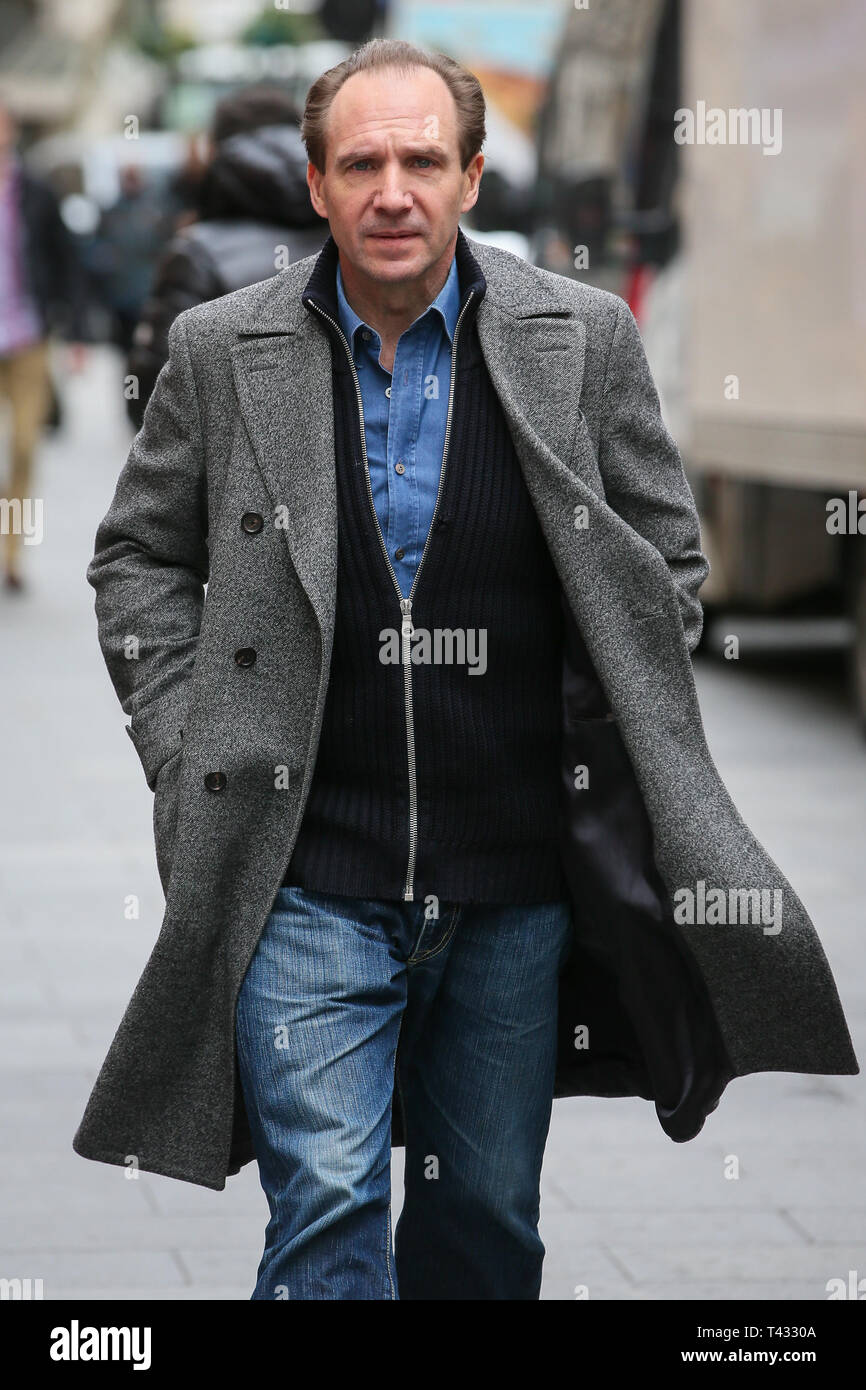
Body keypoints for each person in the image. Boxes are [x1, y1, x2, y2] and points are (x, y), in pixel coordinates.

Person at [74, 38, 858, 1300]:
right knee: (325, 1200)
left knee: (483, 1221)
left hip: (513, 881)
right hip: (303, 873)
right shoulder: (227, 348)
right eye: (362, 163)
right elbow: (136, 557)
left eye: (422, 160)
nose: (394, 189)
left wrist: (616, 694)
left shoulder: (580, 338)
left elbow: (663, 547)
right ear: (318, 188)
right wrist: (185, 743)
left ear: (473, 178)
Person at [125, 85, 327, 429]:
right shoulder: (349, 239)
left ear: (217, 152)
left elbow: (152, 397)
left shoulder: (198, 251)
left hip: (227, 475)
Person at [0, 100, 86, 590]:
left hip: (27, 333)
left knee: (25, 444)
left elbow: (66, 259)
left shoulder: (34, 191)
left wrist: (75, 333)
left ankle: (13, 555)